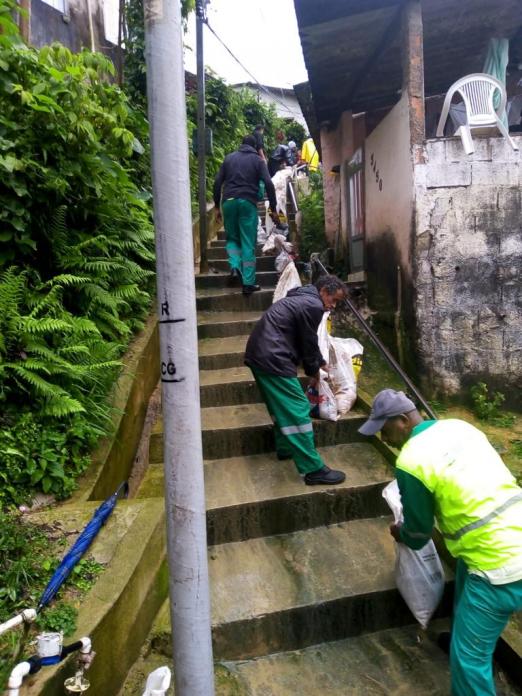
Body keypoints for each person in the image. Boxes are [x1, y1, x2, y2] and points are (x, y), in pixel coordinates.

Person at [358, 389, 522, 696]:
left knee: (470, 660)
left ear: (403, 421)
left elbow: (419, 534)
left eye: (384, 429)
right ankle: (464, 629)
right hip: (516, 530)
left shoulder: (410, 461)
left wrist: (401, 532)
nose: (383, 438)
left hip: (498, 567)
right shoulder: (460, 426)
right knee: (463, 572)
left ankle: (467, 647)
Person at [244, 275, 348, 485]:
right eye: (333, 300)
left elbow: (304, 338)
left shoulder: (301, 299)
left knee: (281, 407)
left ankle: (285, 448)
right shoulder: (313, 305)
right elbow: (308, 344)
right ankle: (312, 469)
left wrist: (319, 362)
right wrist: (315, 374)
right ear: (324, 292)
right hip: (273, 357)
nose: (333, 306)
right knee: (298, 407)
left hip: (261, 354)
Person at [213, 135, 279, 295]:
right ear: (256, 148)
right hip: (247, 203)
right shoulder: (258, 160)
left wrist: (216, 206)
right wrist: (273, 209)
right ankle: (248, 283)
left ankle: (235, 266)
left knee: (232, 239)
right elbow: (268, 183)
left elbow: (217, 182)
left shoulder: (229, 158)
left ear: (241, 145)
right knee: (248, 243)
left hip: (228, 202)